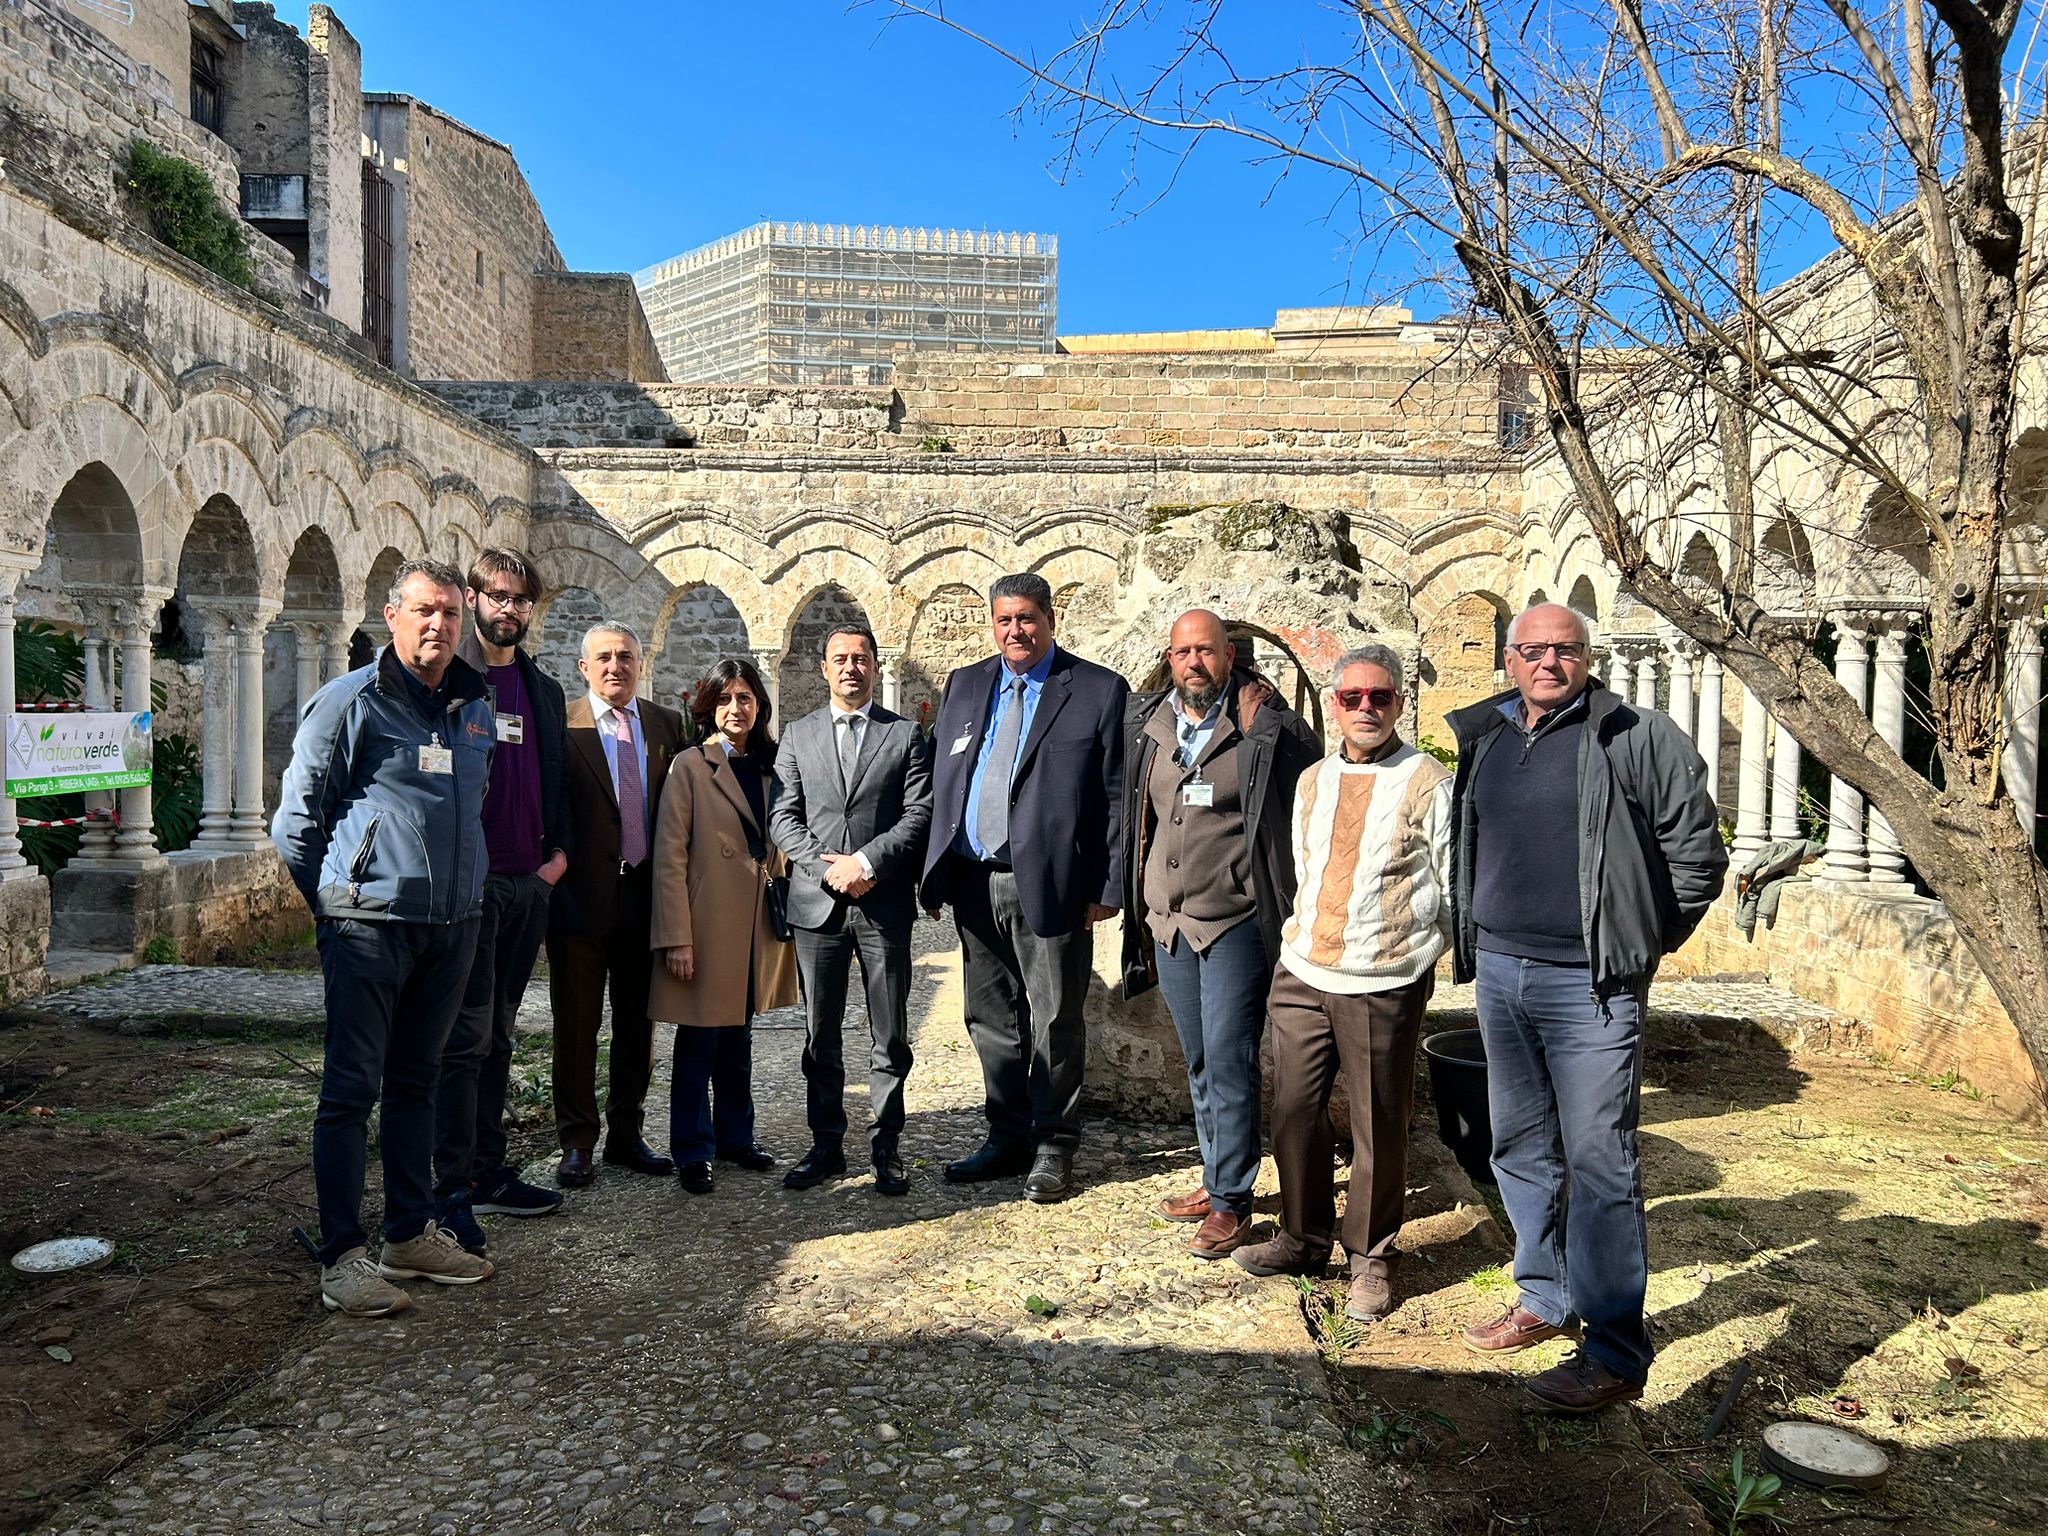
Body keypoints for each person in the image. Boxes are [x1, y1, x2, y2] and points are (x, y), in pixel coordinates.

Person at [1447, 603, 1727, 1413]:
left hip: (1592, 986)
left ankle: (1612, 1349)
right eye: (1533, 650)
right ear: (1508, 660)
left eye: (1565, 650)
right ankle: (1542, 1295)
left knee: (1601, 1164)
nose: (1548, 664)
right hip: (1501, 973)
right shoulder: (1490, 737)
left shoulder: (1635, 735)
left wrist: (1638, 942)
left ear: (1587, 657)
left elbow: (1697, 855)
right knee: (1519, 1146)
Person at [272, 559, 497, 1316]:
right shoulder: (351, 702)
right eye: (424, 611)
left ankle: (408, 1232)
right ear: (392, 615)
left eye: (450, 614)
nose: (438, 625)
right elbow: (297, 822)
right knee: (349, 1091)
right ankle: (340, 1255)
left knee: (417, 1083)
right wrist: (336, 906)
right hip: (369, 928)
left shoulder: (472, 704)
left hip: (450, 926)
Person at [1228, 647, 1451, 1324]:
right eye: (1351, 698)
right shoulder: (1314, 780)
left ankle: (1370, 1257)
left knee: (1377, 1120)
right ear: (1334, 704)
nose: (1364, 709)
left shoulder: (1427, 779)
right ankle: (1301, 1238)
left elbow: (1450, 885)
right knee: (1293, 1108)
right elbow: (1305, 867)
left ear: (1399, 704)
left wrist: (1417, 954)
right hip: (1304, 970)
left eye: (1378, 697)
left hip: (1383, 977)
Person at [918, 573, 1129, 1203]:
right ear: (994, 623)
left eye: (1028, 619)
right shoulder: (966, 684)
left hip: (1055, 883)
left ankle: (1054, 1145)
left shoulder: (1096, 690)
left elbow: (1116, 795)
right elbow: (943, 775)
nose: (1016, 630)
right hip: (974, 877)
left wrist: (1108, 883)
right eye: (1005, 620)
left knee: (1056, 1017)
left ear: (1049, 619)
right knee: (988, 1016)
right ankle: (1006, 1134)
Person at [1119, 610, 1319, 1259]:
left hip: (1233, 920)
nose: (1194, 662)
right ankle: (1216, 1178)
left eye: (1205, 651)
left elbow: (1307, 791)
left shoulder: (1262, 725)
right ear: (1170, 660)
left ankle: (1232, 1204)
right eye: (1183, 653)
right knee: (1200, 1058)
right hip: (1170, 923)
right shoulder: (1151, 724)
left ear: (1228, 656)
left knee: (1230, 1061)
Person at [429, 549, 570, 1253]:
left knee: (501, 1031)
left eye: (520, 599)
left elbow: (559, 779)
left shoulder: (542, 690)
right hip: (470, 890)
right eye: (497, 596)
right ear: (474, 600)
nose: (509, 609)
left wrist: (556, 861)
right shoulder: (452, 684)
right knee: (464, 1039)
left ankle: (486, 1171)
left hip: (527, 885)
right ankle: (449, 1187)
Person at [769, 623, 934, 1196]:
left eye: (860, 658)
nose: (850, 667)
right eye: (839, 658)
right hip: (816, 908)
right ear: (823, 668)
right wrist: (827, 867)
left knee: (889, 1034)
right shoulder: (797, 734)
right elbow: (782, 818)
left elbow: (919, 814)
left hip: (882, 904)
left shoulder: (906, 735)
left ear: (874, 664)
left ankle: (886, 1147)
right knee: (820, 1034)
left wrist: (865, 863)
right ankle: (826, 1146)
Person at [648, 656, 798, 1195]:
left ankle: (737, 1137)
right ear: (709, 706)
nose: (738, 708)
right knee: (698, 1042)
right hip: (706, 922)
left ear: (760, 706)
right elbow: (670, 855)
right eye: (727, 698)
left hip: (755, 924)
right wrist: (676, 937)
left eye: (747, 698)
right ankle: (692, 1149)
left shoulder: (771, 766)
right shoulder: (690, 765)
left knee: (739, 1039)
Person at [546, 621, 688, 1188]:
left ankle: (627, 1135)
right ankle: (577, 1141)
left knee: (638, 1023)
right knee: (576, 1025)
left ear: (640, 664)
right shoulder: (562, 727)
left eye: (625, 657)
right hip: (580, 903)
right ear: (583, 668)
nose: (615, 667)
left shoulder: (664, 725)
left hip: (644, 897)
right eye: (602, 658)